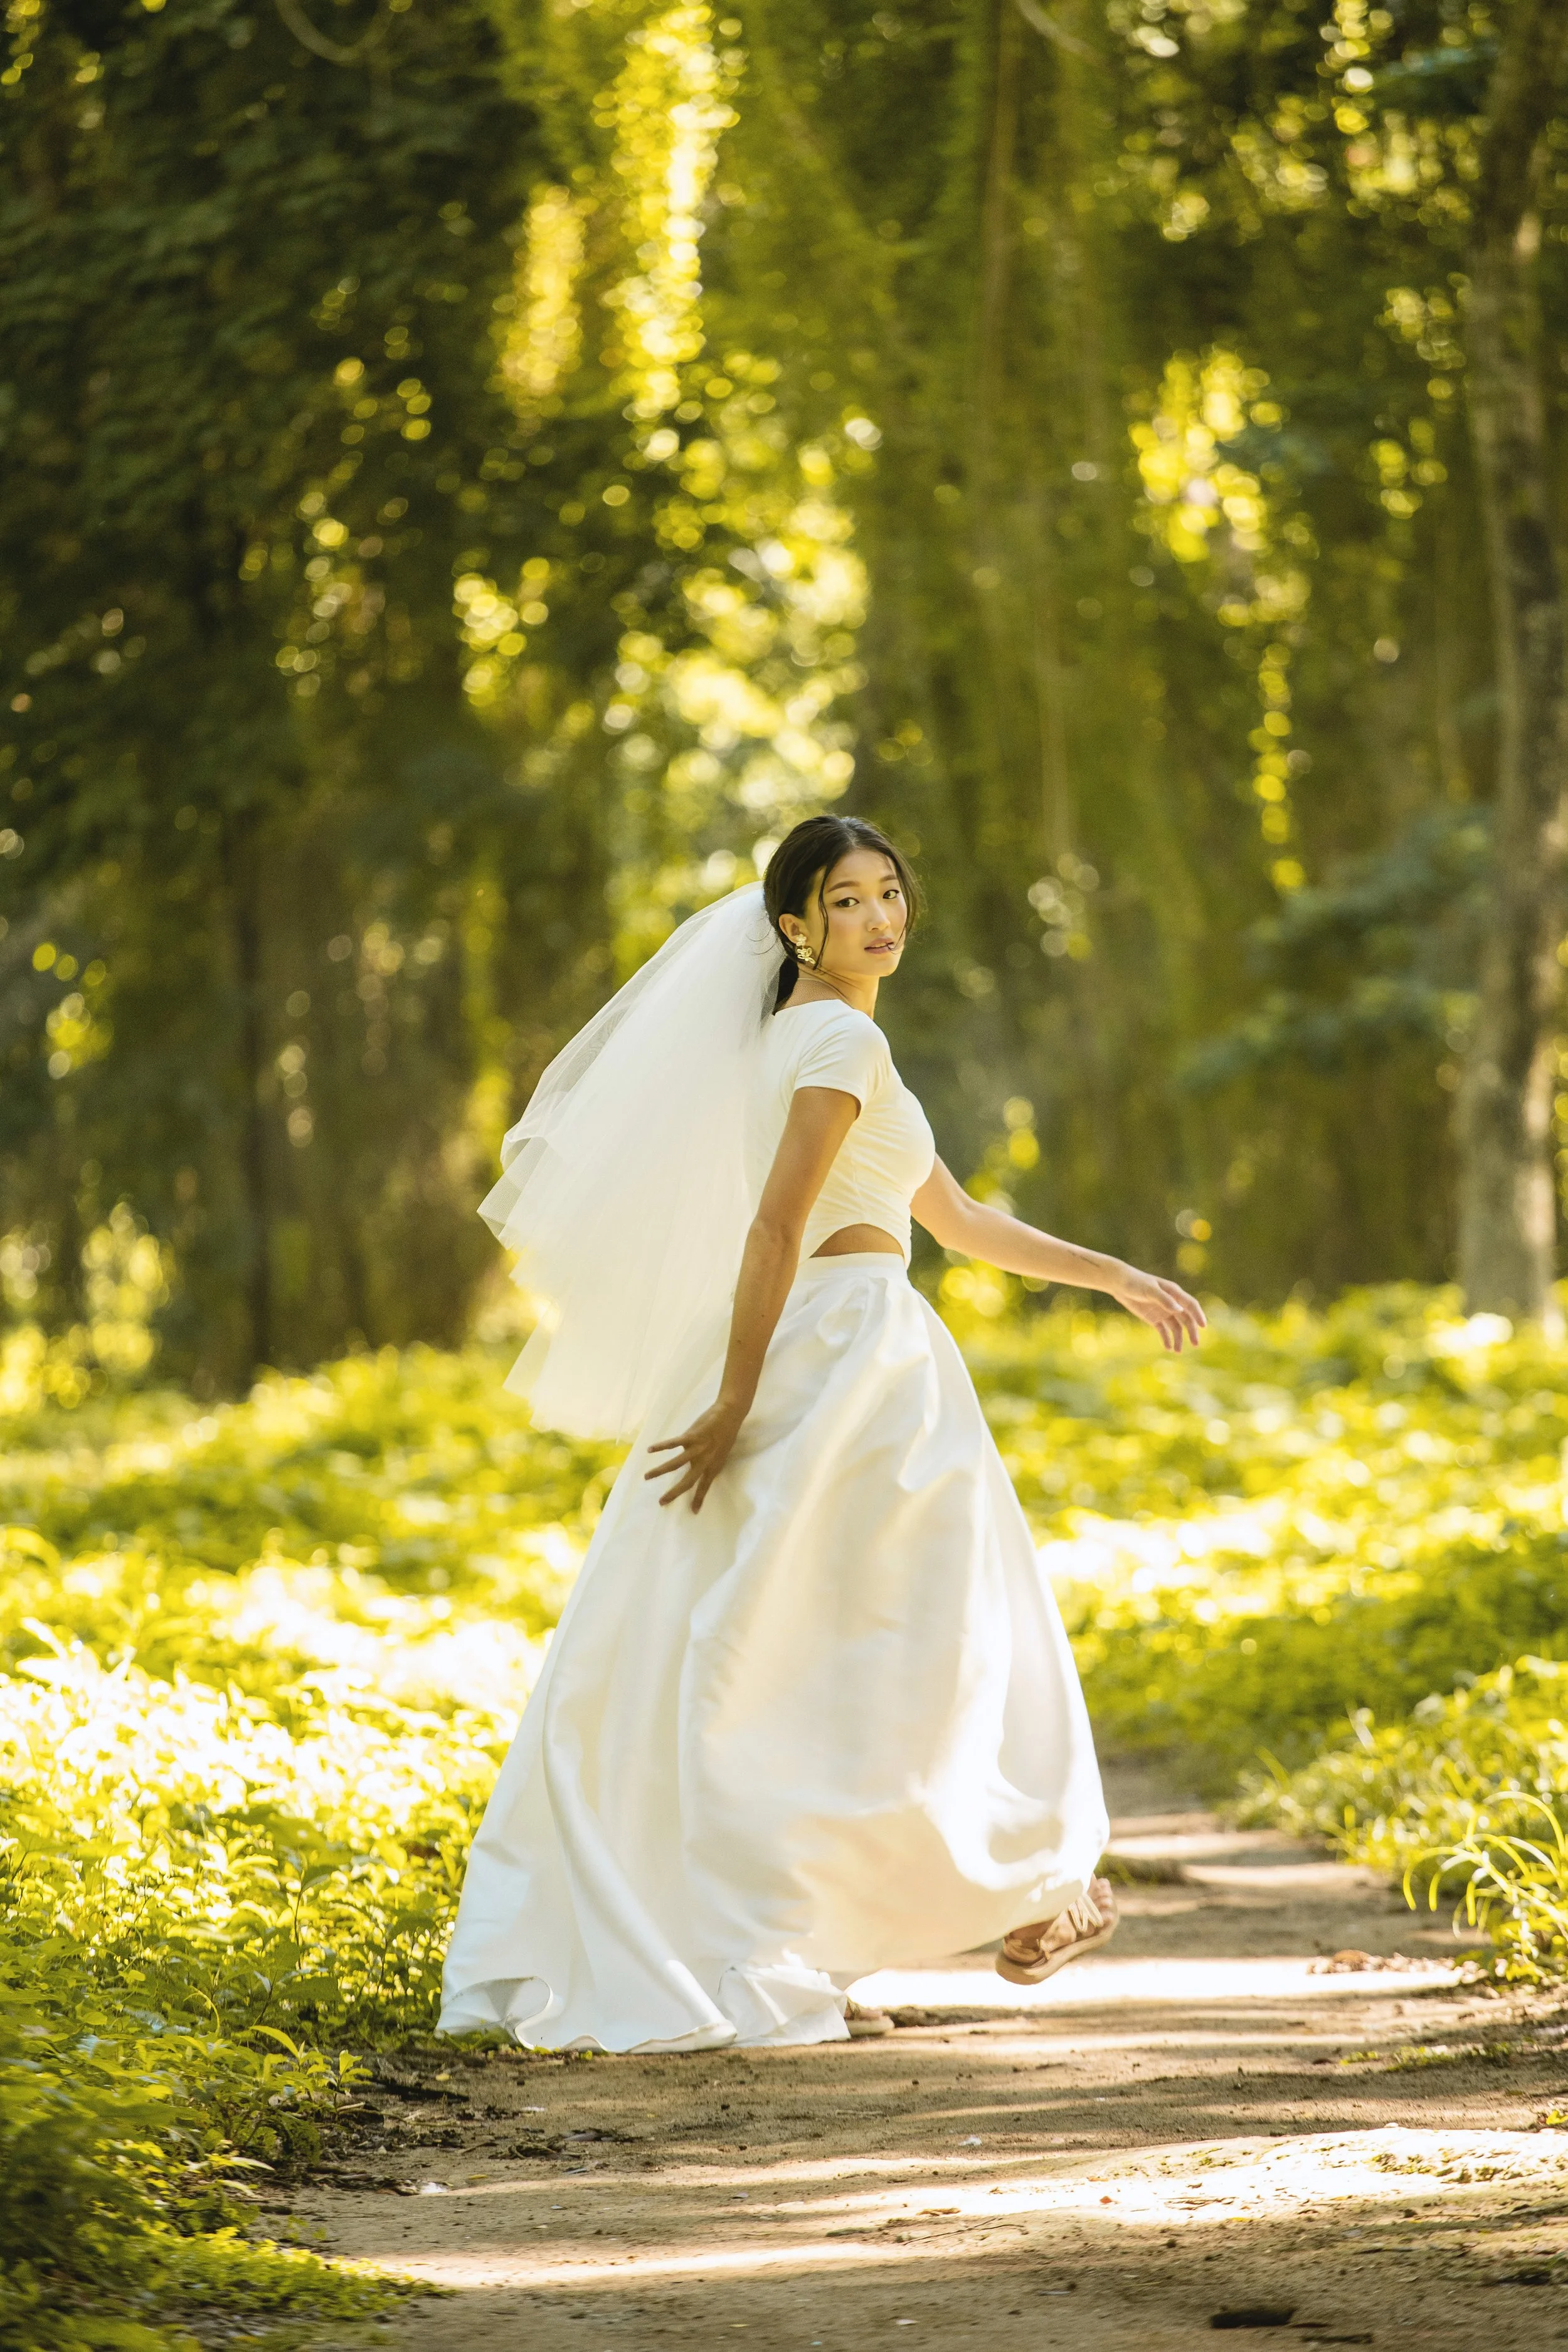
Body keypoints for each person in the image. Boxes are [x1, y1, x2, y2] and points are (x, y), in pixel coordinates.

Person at [438, 814, 1205, 2053]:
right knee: (920, 1637)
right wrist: (738, 1399)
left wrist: (1110, 1275)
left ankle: (903, 1908)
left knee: (799, 1649)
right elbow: (774, 1230)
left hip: (837, 1342)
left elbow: (950, 1219)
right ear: (792, 925)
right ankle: (1022, 1887)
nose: (878, 918)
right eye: (846, 900)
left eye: (890, 892)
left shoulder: (816, 1041)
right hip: (840, 1352)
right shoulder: (835, 1040)